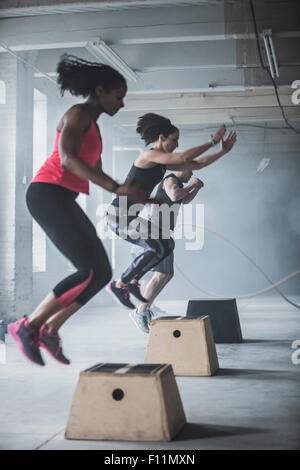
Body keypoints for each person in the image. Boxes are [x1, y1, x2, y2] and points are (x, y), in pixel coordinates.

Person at [7, 55, 152, 367]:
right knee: (87, 270)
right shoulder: (78, 113)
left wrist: (130, 192)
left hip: (61, 198)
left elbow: (93, 170)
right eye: (118, 96)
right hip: (46, 194)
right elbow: (68, 160)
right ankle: (27, 326)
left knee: (101, 273)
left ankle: (50, 330)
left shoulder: (94, 128)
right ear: (100, 91)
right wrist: (117, 189)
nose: (121, 104)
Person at [106, 113, 236, 333]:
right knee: (160, 246)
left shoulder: (161, 166)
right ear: (161, 137)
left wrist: (221, 151)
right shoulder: (150, 155)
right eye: (174, 139)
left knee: (166, 246)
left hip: (132, 217)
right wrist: (212, 141)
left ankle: (130, 283)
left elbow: (197, 163)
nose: (176, 144)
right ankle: (121, 284)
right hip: (119, 215)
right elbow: (185, 158)